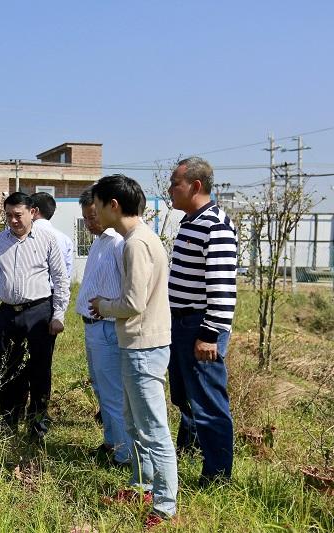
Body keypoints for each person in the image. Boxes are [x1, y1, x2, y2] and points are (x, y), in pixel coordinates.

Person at [89, 175, 176, 527]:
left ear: (113, 205)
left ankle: (165, 506)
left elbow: (133, 302)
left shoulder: (135, 244)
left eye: (96, 204)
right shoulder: (138, 239)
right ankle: (142, 486)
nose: (92, 211)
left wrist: (103, 305)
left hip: (144, 344)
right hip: (138, 343)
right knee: (134, 424)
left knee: (153, 428)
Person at [166, 157, 237, 485]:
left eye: (175, 183)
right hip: (181, 324)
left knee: (208, 402)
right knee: (184, 396)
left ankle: (217, 474)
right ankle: (191, 449)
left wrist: (209, 334)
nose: (169, 189)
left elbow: (222, 286)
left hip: (200, 326)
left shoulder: (215, 225)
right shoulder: (190, 221)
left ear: (195, 186)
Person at [0, 192, 70, 442]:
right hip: (8, 314)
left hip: (39, 312)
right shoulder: (0, 241)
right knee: (8, 369)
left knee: (39, 370)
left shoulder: (47, 239)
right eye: (8, 215)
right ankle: (9, 420)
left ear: (32, 212)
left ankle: (37, 424)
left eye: (18, 215)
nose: (13, 220)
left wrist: (59, 314)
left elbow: (61, 279)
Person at [75, 187, 131, 467]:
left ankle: (123, 455)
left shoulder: (119, 242)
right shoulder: (98, 242)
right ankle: (111, 442)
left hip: (109, 326)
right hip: (94, 326)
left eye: (93, 216)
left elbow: (130, 290)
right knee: (101, 389)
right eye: (85, 218)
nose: (89, 223)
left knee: (113, 394)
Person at [30, 191, 74, 282]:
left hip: (31, 292)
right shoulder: (65, 239)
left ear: (35, 211)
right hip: (57, 291)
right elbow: (67, 273)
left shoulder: (24, 236)